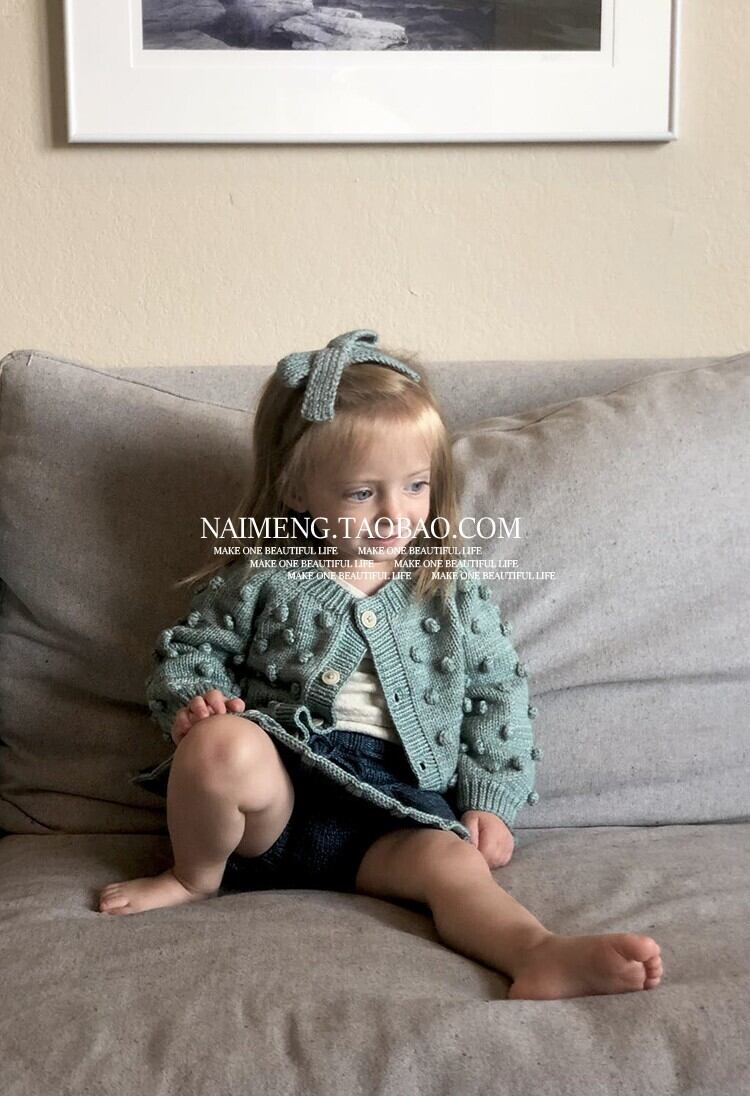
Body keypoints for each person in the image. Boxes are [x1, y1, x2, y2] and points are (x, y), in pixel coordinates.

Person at [98, 329, 663, 1001]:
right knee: (221, 744)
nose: (395, 514)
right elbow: (191, 652)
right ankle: (193, 878)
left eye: (416, 486)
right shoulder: (262, 576)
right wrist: (197, 702)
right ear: (297, 490)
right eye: (363, 494)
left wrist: (489, 800)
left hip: (394, 813)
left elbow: (497, 692)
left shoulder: (445, 589)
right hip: (271, 805)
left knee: (453, 866)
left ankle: (537, 952)